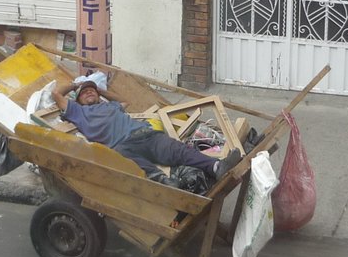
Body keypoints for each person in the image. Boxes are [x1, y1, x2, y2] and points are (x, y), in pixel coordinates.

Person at [51, 80, 242, 188]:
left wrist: (100, 89)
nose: (89, 92)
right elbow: (57, 94)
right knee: (136, 165)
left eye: (92, 91)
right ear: (79, 101)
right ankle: (168, 185)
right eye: (85, 93)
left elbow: (124, 101)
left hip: (143, 134)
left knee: (179, 150)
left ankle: (216, 167)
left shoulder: (109, 106)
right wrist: (77, 85)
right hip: (121, 146)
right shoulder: (78, 112)